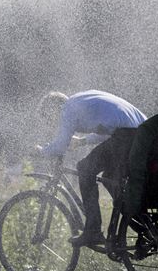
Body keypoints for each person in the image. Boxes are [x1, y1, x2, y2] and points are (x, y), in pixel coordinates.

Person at [36, 89, 147, 247]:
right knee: (111, 179)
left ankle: (93, 230)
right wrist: (82, 141)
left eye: (49, 120)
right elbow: (107, 129)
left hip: (126, 136)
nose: (53, 124)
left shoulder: (67, 110)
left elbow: (60, 145)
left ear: (54, 109)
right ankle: (147, 229)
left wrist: (41, 151)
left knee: (85, 168)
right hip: (141, 134)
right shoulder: (80, 101)